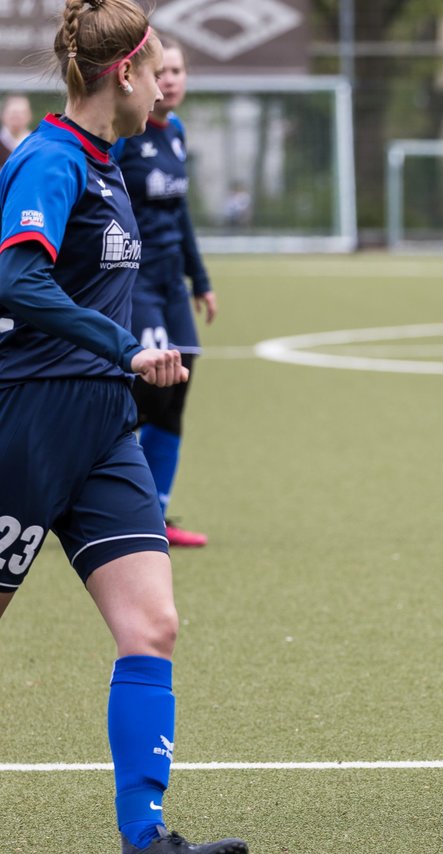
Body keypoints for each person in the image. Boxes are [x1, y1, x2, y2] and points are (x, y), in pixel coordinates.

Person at [0, 1, 248, 852]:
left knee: (152, 626)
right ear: (125, 74)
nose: (164, 86)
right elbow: (20, 284)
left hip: (105, 426)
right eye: (156, 71)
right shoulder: (48, 160)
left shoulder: (111, 161)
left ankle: (146, 837)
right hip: (25, 423)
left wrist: (122, 362)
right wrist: (124, 345)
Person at [111, 37, 215, 548]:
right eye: (164, 70)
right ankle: (91, 496)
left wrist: (203, 281)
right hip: (139, 282)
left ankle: (157, 515)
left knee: (176, 396)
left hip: (173, 285)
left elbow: (182, 217)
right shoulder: (127, 137)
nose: (170, 79)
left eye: (178, 71)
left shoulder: (175, 133)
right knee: (145, 392)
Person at [0, 93, 34, 168]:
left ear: (29, 115)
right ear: (3, 114)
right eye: (14, 113)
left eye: (22, 113)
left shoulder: (36, 143)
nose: (18, 117)